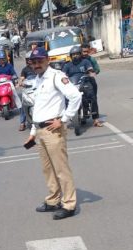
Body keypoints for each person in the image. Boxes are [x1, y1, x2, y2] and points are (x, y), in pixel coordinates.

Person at [23, 47, 82, 221]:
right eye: (33, 62)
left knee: (61, 169)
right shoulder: (38, 80)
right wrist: (33, 132)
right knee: (48, 169)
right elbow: (38, 107)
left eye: (40, 61)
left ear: (47, 60)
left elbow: (75, 97)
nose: (36, 65)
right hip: (41, 130)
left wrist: (63, 120)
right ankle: (53, 200)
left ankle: (69, 204)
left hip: (53, 129)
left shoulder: (56, 76)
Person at [62, 46, 101, 128]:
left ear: (80, 54)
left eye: (77, 54)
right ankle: (65, 119)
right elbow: (63, 75)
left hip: (85, 83)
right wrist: (63, 79)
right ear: (71, 56)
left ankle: (96, 119)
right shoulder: (67, 65)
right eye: (73, 55)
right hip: (73, 85)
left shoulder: (85, 62)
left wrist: (91, 73)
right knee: (65, 98)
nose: (75, 56)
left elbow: (90, 70)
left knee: (92, 97)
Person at [0, 52, 20, 119]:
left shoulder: (9, 66)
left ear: (5, 59)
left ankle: (20, 108)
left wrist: (14, 76)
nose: (2, 60)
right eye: (1, 59)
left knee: (14, 93)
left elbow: (14, 73)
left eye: (3, 59)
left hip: (8, 82)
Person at [18, 52, 36, 131]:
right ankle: (22, 123)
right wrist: (20, 82)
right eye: (27, 60)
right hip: (28, 89)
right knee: (24, 104)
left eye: (30, 59)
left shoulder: (37, 67)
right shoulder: (25, 70)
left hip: (37, 88)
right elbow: (22, 78)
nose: (29, 61)